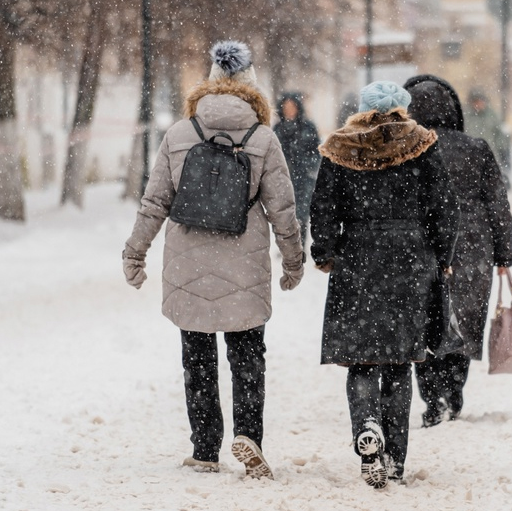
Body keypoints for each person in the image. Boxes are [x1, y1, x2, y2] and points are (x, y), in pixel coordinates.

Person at [121, 41, 304, 480]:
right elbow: (283, 208)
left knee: (197, 356)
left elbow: (155, 202)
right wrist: (293, 260)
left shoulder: (180, 134)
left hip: (187, 262)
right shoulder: (263, 138)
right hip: (245, 260)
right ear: (251, 87)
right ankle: (249, 438)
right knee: (248, 355)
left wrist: (135, 252)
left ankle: (205, 447)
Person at [311, 81, 457, 488]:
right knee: (398, 360)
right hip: (410, 258)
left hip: (358, 257)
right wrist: (441, 256)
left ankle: (366, 425)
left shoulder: (341, 148)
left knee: (361, 358)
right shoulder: (422, 145)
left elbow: (323, 204)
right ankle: (394, 460)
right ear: (401, 108)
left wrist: (324, 252)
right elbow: (444, 206)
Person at [404, 74, 512, 428]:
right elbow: (497, 203)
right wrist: (504, 253)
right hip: (472, 246)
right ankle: (454, 390)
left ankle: (431, 393)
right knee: (464, 320)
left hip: (424, 245)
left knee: (426, 320)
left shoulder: (410, 149)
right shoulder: (477, 148)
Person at [274, 92, 321, 241]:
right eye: (286, 107)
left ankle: (300, 245)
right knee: (283, 215)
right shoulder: (277, 129)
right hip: (283, 179)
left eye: (292, 106)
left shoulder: (308, 127)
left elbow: (317, 152)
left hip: (304, 179)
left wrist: (308, 166)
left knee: (301, 215)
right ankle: (287, 245)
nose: (289, 110)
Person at [464, 90, 511, 184]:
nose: (479, 104)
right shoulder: (466, 115)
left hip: (490, 153)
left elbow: (500, 134)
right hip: (469, 154)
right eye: (476, 101)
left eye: (481, 101)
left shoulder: (492, 115)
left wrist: (502, 149)